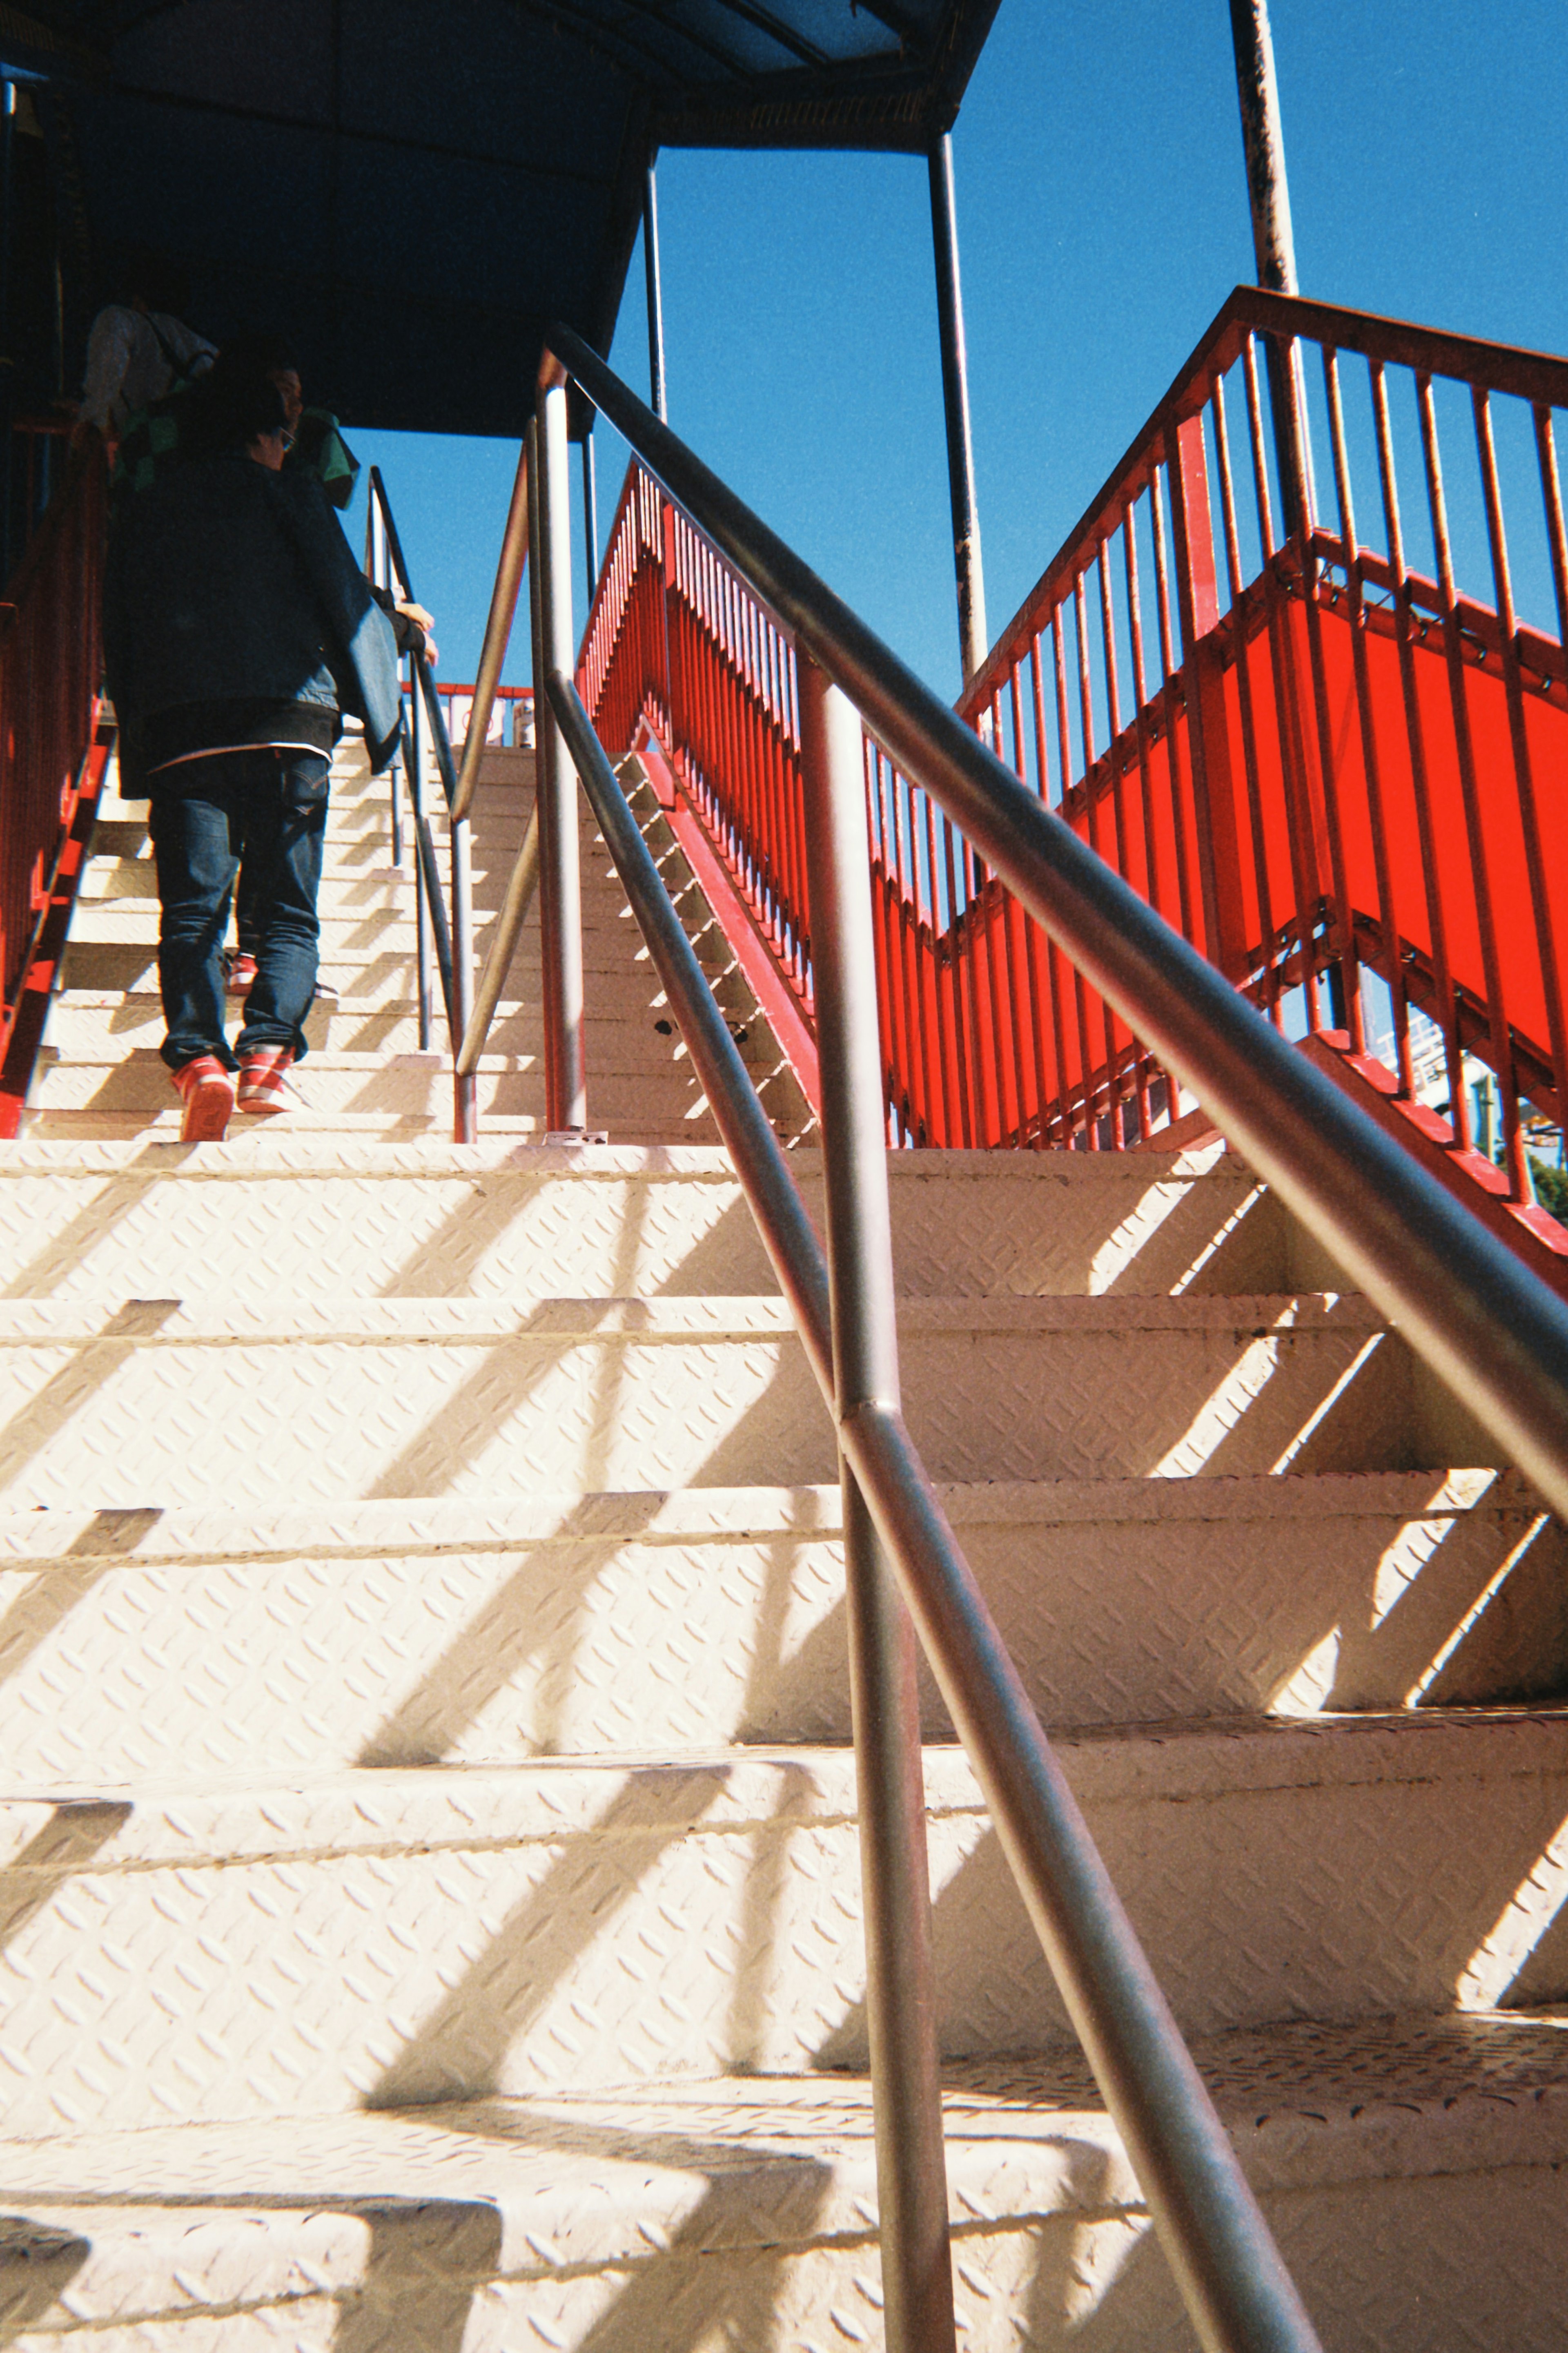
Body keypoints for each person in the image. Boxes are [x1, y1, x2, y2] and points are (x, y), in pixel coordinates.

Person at [102, 360, 402, 1141]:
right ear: (268, 436)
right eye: (283, 434)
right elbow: (344, 599)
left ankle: (199, 1058)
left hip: (181, 729)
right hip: (287, 724)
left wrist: (139, 732)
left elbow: (121, 625)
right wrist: (383, 719)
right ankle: (268, 1054)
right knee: (288, 914)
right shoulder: (290, 493)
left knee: (192, 909)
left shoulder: (148, 507)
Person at [77, 253, 215, 441]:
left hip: (142, 455)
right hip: (188, 455)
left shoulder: (131, 324)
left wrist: (96, 416)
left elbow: (115, 327)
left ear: (138, 299)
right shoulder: (206, 349)